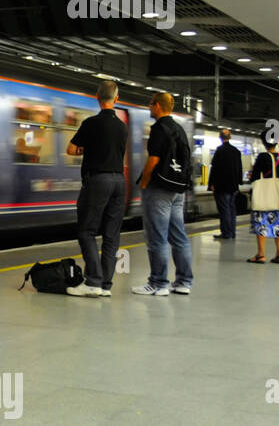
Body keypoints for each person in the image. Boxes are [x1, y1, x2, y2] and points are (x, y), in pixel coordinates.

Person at [64, 80, 127, 297]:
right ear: (116, 99)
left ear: (97, 97)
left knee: (87, 231)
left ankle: (93, 281)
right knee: (111, 235)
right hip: (119, 181)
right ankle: (105, 285)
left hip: (98, 181)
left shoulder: (91, 123)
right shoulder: (122, 126)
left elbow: (71, 149)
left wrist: (87, 149)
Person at [133, 92, 193, 296]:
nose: (149, 108)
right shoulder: (179, 129)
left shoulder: (159, 128)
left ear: (158, 106)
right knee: (179, 237)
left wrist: (144, 182)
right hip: (177, 190)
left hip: (159, 189)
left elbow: (153, 159)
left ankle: (159, 283)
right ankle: (184, 282)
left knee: (157, 238)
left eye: (151, 105)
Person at [246, 133, 279, 265]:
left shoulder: (262, 157)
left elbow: (254, 177)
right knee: (278, 224)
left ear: (264, 143)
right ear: (276, 143)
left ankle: (261, 255)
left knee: (261, 223)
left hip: (264, 195)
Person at [207, 129, 243, 240]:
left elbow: (215, 168)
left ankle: (226, 233)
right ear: (230, 137)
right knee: (232, 209)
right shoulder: (236, 151)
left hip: (221, 186)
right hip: (233, 186)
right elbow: (239, 168)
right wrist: (239, 182)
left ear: (220, 137)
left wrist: (211, 183)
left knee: (224, 210)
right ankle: (232, 232)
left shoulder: (220, 150)